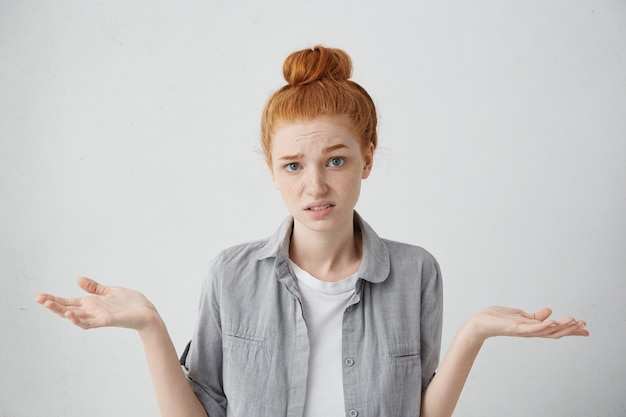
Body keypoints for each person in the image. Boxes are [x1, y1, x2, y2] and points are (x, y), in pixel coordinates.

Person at [36, 45, 589, 417]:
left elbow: (420, 411)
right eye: (294, 165)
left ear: (367, 158)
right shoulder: (231, 273)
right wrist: (150, 327)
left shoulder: (417, 271)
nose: (315, 186)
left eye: (337, 160)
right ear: (272, 171)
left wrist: (473, 333)